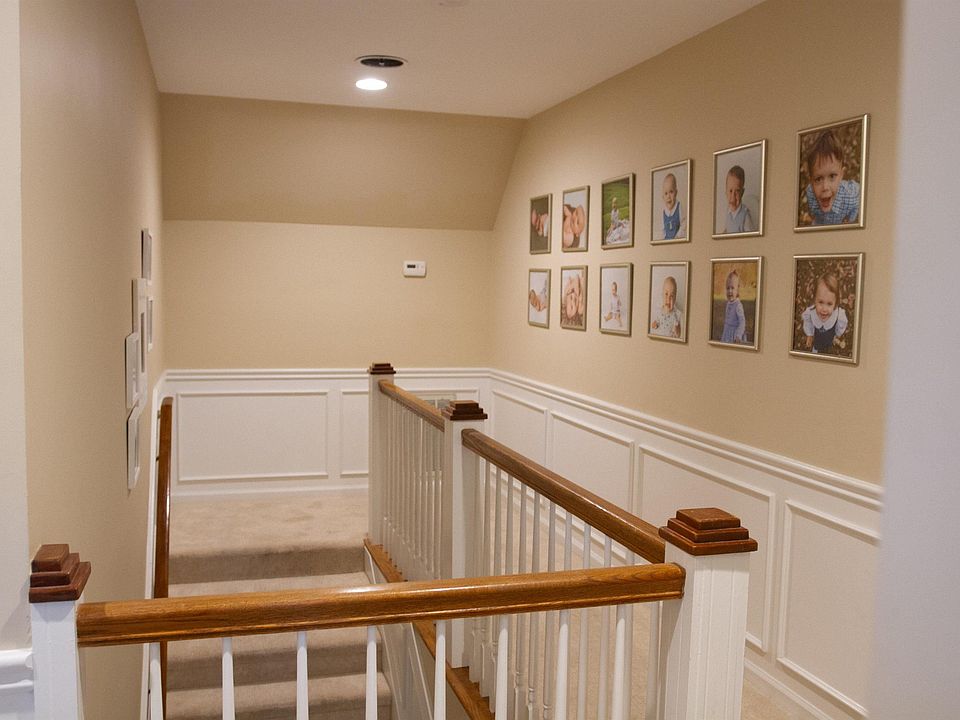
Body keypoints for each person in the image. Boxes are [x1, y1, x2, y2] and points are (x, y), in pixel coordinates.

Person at [803, 130, 861, 225]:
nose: (825, 187)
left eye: (832, 176)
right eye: (818, 179)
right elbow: (813, 213)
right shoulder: (810, 193)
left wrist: (850, 219)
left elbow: (860, 193)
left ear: (841, 175)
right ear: (811, 181)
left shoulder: (850, 195)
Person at [801, 272, 848, 353]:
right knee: (816, 348)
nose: (824, 309)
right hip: (817, 341)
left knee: (829, 350)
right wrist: (810, 335)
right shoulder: (811, 312)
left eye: (829, 304)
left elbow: (840, 327)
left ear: (835, 303)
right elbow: (808, 322)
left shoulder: (838, 315)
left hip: (830, 341)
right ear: (815, 299)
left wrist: (837, 334)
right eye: (821, 302)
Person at [723, 165, 755, 234]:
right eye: (730, 191)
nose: (733, 196)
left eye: (737, 191)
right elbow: (727, 228)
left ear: (742, 193)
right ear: (726, 192)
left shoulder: (745, 215)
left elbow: (751, 236)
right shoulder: (728, 211)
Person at [656, 173, 685, 241]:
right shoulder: (663, 212)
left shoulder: (679, 207)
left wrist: (678, 236)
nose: (668, 196)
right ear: (663, 197)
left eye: (671, 192)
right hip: (666, 241)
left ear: (676, 193)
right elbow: (662, 230)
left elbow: (683, 225)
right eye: (666, 193)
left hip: (677, 239)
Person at [720, 269, 746, 343]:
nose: (730, 291)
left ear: (737, 290)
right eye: (728, 288)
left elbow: (742, 322)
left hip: (734, 334)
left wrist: (738, 335)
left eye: (732, 288)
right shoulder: (728, 303)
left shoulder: (738, 305)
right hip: (727, 332)